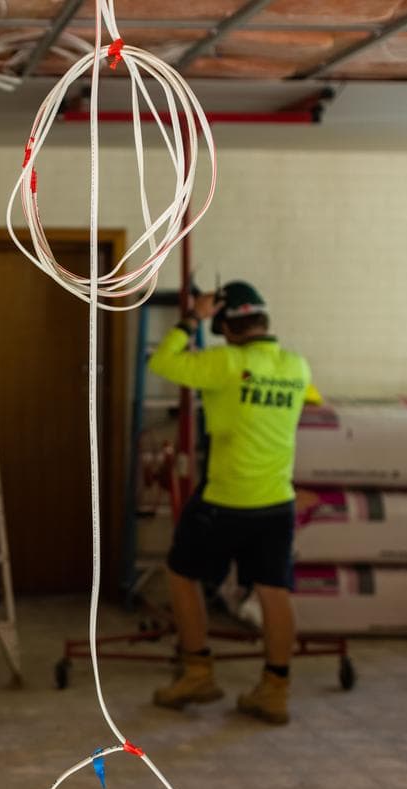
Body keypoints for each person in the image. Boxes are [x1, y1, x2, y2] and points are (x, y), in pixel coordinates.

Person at [147, 280, 318, 725]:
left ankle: (198, 671)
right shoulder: (297, 366)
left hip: (225, 498)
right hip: (277, 501)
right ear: (263, 319)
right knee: (274, 590)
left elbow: (164, 361)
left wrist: (192, 320)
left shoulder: (225, 362)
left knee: (182, 573)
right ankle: (275, 690)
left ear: (226, 326)